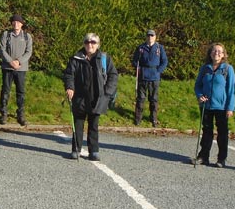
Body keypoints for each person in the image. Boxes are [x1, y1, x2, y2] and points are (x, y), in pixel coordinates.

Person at [63, 33, 118, 161]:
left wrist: (107, 92)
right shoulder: (76, 58)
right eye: (87, 42)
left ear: (98, 45)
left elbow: (113, 75)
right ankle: (76, 149)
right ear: (84, 44)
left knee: (94, 125)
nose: (90, 45)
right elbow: (69, 74)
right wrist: (70, 87)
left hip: (97, 97)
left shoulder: (104, 58)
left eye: (93, 42)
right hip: (80, 97)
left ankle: (93, 151)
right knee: (78, 124)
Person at [193, 42, 235, 168]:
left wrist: (230, 107)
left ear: (223, 55)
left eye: (219, 51)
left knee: (222, 134)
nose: (216, 53)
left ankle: (221, 159)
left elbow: (231, 90)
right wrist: (200, 95)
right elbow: (197, 85)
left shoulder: (228, 69)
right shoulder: (205, 68)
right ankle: (203, 157)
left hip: (221, 107)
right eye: (214, 51)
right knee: (206, 132)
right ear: (210, 53)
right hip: (206, 105)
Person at [0, 14, 33, 126]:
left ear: (22, 24)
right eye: (14, 22)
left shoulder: (27, 37)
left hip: (21, 68)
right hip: (7, 67)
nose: (16, 24)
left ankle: (20, 114)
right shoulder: (6, 35)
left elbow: (29, 52)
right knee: (5, 90)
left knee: (21, 92)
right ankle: (3, 113)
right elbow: (2, 50)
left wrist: (18, 61)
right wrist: (10, 61)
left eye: (18, 22)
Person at [131, 29, 168, 127]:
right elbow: (134, 60)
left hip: (154, 77)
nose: (150, 37)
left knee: (153, 99)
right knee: (140, 98)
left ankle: (153, 118)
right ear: (146, 37)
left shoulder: (159, 48)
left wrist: (158, 71)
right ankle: (138, 118)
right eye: (148, 35)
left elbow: (164, 61)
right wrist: (138, 68)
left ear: (155, 37)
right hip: (143, 76)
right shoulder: (141, 48)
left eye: (152, 36)